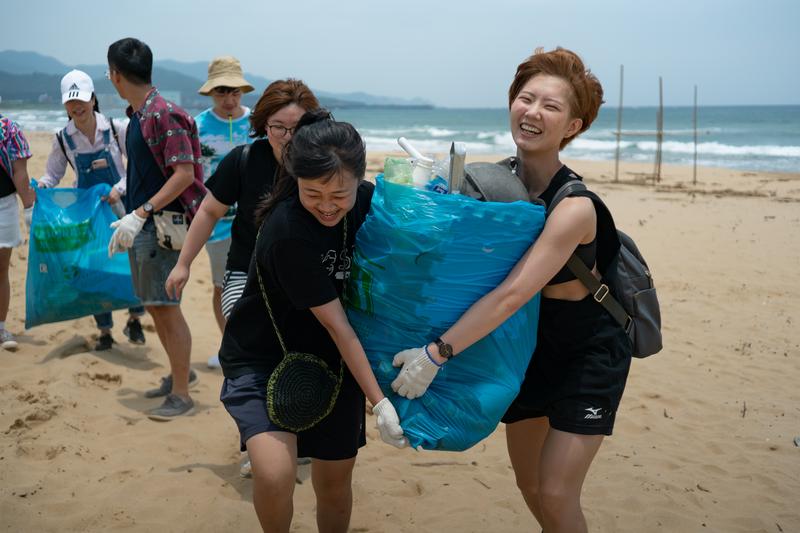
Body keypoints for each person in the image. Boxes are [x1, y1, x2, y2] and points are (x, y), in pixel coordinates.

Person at [390, 48, 632, 533]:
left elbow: (513, 293)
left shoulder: (575, 207)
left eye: (551, 106)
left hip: (589, 352)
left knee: (559, 492)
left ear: (573, 126)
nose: (533, 112)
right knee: (530, 486)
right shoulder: (492, 182)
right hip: (526, 348)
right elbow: (448, 254)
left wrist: (436, 354)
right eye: (526, 99)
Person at [218, 109, 407, 532]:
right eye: (313, 193)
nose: (327, 206)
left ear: (360, 179)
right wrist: (380, 403)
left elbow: (415, 220)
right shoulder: (288, 231)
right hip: (263, 359)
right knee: (274, 474)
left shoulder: (367, 203)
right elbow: (338, 325)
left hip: (332, 362)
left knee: (335, 481)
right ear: (295, 179)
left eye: (339, 194)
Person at [166, 79, 320, 475]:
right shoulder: (245, 159)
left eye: (297, 128)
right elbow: (209, 212)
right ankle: (260, 439)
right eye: (277, 128)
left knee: (295, 353)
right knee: (252, 347)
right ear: (262, 124)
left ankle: (294, 433)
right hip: (244, 272)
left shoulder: (319, 162)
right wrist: (183, 262)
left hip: (301, 277)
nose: (287, 138)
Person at [106, 37, 201, 420]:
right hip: (145, 225)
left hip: (161, 226)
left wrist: (141, 212)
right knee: (154, 305)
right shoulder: (139, 114)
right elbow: (146, 172)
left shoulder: (163, 113)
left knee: (165, 307)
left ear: (114, 75)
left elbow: (184, 175)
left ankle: (182, 393)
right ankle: (179, 374)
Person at [38, 69, 146, 350]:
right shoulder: (63, 139)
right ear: (64, 105)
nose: (77, 107)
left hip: (122, 210)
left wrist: (118, 189)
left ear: (93, 99)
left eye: (82, 101)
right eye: (71, 102)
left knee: (133, 267)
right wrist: (42, 187)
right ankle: (105, 331)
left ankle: (135, 318)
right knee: (96, 269)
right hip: (88, 215)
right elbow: (53, 175)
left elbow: (135, 167)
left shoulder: (115, 128)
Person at [194, 56, 255, 366]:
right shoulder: (198, 126)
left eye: (235, 92)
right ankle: (229, 347)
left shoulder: (258, 123)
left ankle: (257, 346)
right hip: (217, 224)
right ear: (210, 93)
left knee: (259, 285)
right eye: (221, 92)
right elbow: (191, 174)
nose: (229, 100)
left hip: (258, 221)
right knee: (222, 284)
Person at [0, 100, 35, 351]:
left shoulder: (9, 128)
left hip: (4, 205)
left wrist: (28, 207)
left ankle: (0, 327)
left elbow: (19, 172)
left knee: (1, 269)